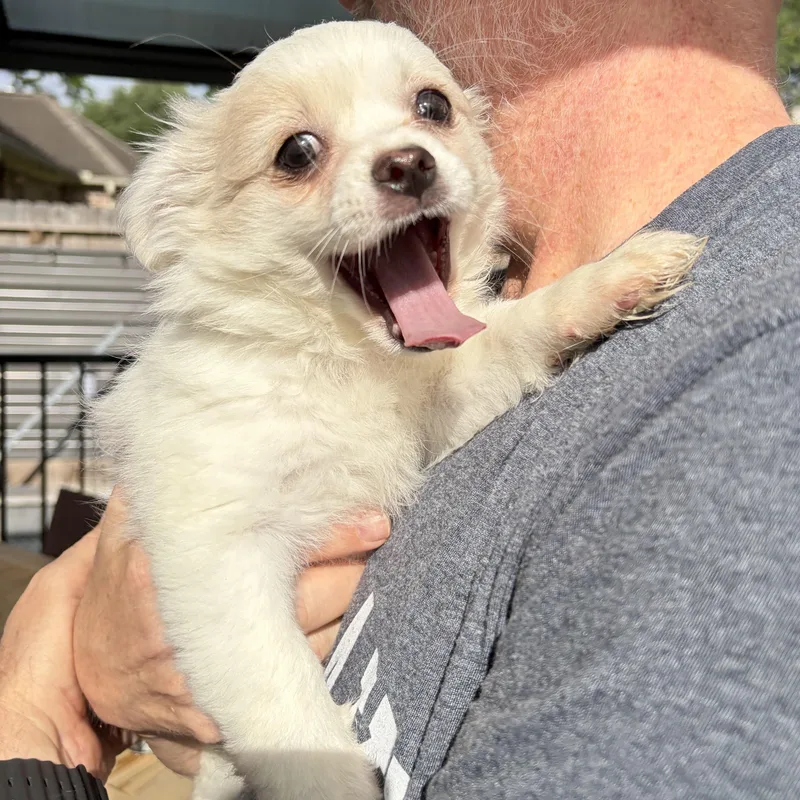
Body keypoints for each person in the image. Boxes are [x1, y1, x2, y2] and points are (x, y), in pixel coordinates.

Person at [6, 0, 800, 796]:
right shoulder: (218, 383)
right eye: (299, 153)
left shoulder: (754, 348)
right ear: (186, 210)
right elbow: (214, 568)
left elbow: (466, 372)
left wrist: (562, 310)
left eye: (430, 109)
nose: (404, 152)